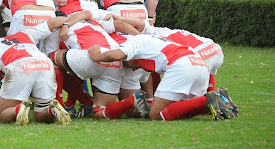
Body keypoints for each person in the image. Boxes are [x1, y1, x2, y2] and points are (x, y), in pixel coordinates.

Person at [87, 35, 232, 121]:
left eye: (128, 64)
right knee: (180, 111)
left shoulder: (133, 42)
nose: (133, 68)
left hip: (181, 65)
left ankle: (207, 99)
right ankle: (214, 101)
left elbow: (116, 55)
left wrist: (96, 56)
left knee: (156, 115)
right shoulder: (155, 40)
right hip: (198, 64)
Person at [0, 23, 71, 125]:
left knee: (3, 115)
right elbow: (52, 23)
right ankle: (52, 110)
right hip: (44, 64)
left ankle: (18, 109)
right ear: (5, 34)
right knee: (41, 115)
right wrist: (66, 21)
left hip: (18, 67)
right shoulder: (24, 34)